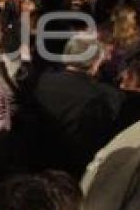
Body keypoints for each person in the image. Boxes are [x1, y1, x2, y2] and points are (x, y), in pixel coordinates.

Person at [33, 33, 124, 178]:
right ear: (95, 63)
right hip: (77, 168)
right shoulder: (104, 95)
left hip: (36, 158)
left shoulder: (41, 81)